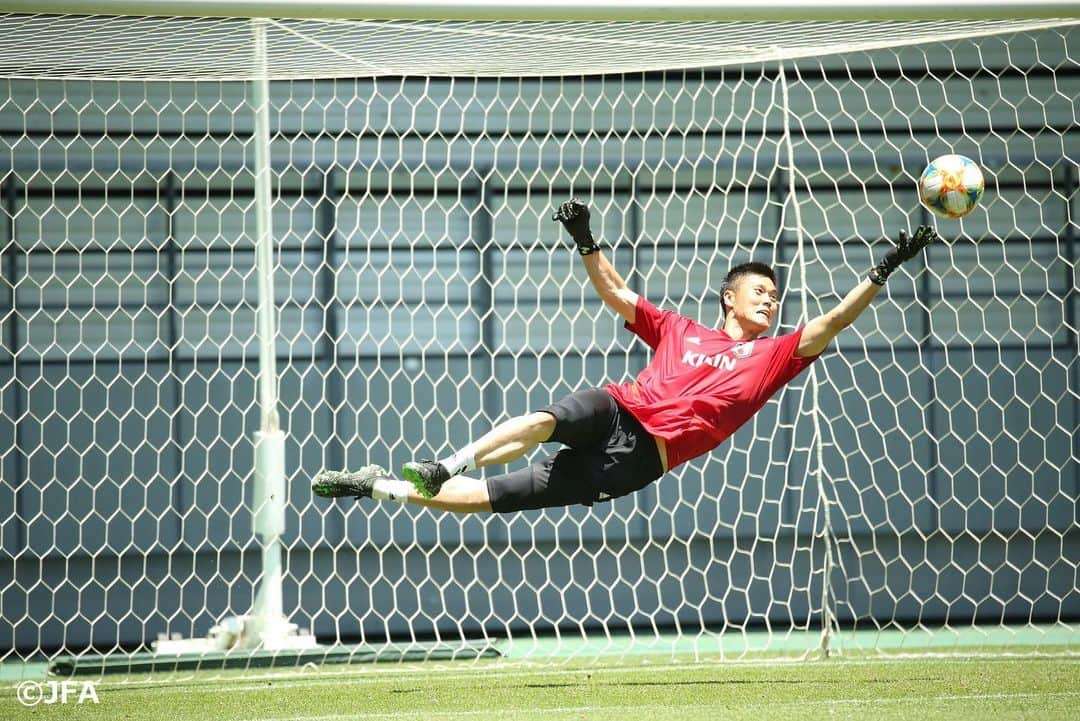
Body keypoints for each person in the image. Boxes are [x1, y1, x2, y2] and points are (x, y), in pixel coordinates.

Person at [312, 199, 937, 513]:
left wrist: (884, 267)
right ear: (729, 296)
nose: (771, 301)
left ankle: (381, 487)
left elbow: (831, 319)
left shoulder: (775, 356)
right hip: (618, 409)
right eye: (759, 291)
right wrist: (587, 239)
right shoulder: (678, 328)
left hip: (639, 461)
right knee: (544, 419)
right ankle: (444, 463)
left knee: (494, 499)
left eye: (776, 296)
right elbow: (614, 291)